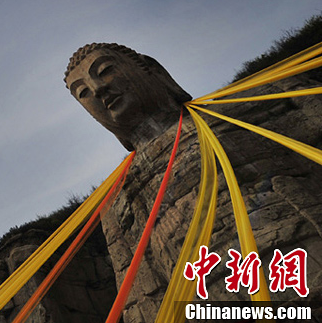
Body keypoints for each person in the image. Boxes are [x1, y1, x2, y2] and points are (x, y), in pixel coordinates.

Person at [65, 43, 322, 323]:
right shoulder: (118, 201)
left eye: (104, 71)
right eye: (83, 93)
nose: (98, 89)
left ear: (153, 70)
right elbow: (143, 296)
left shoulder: (253, 103)